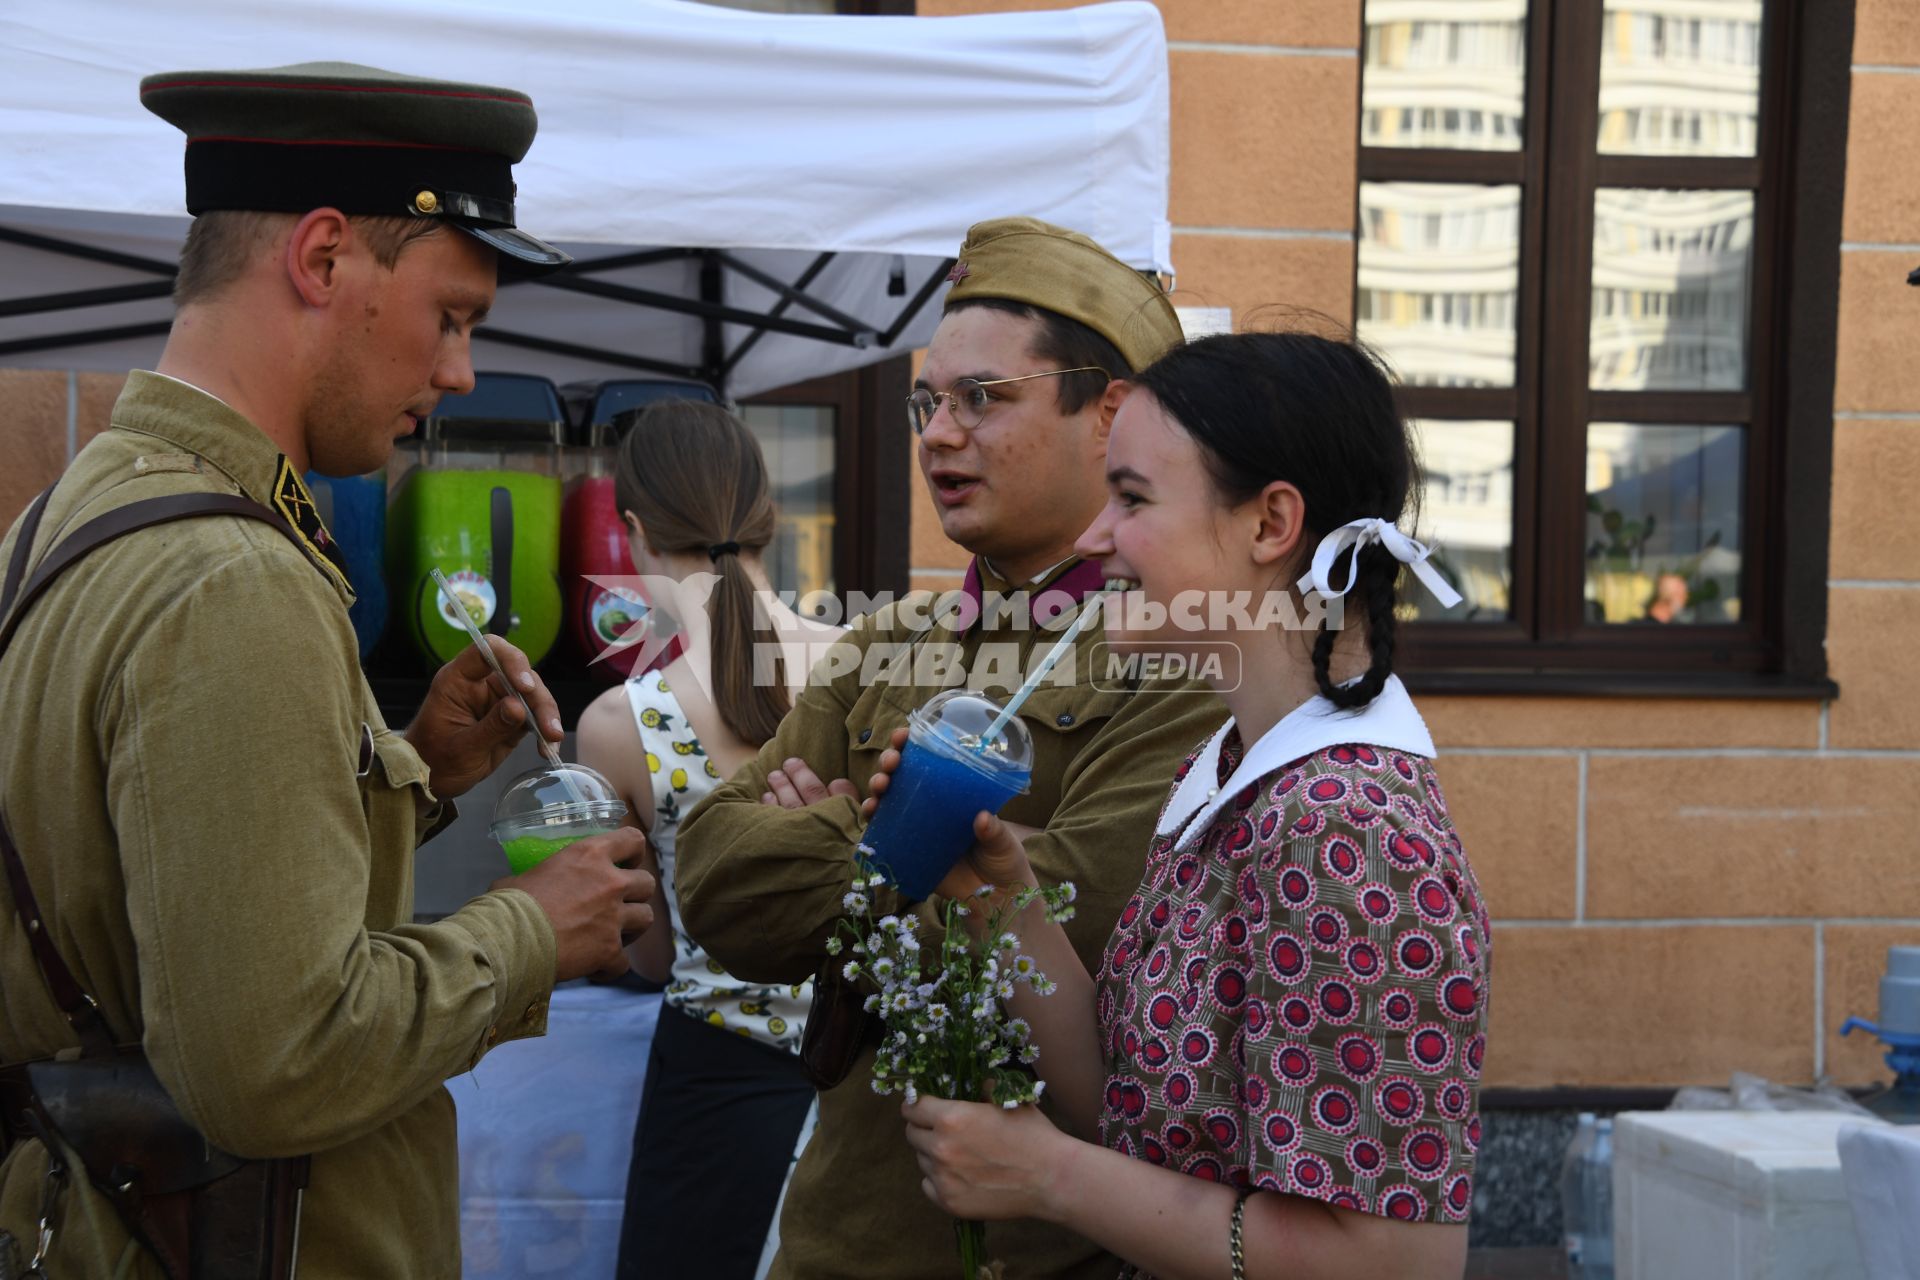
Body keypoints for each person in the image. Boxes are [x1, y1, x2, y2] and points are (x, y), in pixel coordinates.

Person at [0, 63, 654, 1279]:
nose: (459, 371)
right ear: (322, 260)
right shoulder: (232, 578)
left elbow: (147, 874)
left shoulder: (65, 516)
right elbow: (277, 1058)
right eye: (451, 316)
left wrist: (412, 773)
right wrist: (530, 929)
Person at [674, 216, 1226, 1280]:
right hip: (827, 1239)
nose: (935, 433)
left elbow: (1069, 926)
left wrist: (830, 820)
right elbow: (713, 884)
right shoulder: (887, 641)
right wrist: (909, 846)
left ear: (1110, 413)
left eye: (983, 398)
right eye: (929, 401)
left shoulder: (1180, 666)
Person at [896, 332, 1492, 1279]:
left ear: (1270, 525)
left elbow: (1389, 1264)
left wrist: (1048, 1177)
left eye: (1129, 499)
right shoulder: (1235, 767)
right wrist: (994, 891)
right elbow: (1138, 1117)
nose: (1093, 540)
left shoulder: (1346, 829)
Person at [573, 400, 844, 1279]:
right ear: (769, 519)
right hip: (860, 1077)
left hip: (711, 1096)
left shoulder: (621, 722)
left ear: (636, 533)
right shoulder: (865, 666)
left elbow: (649, 959)